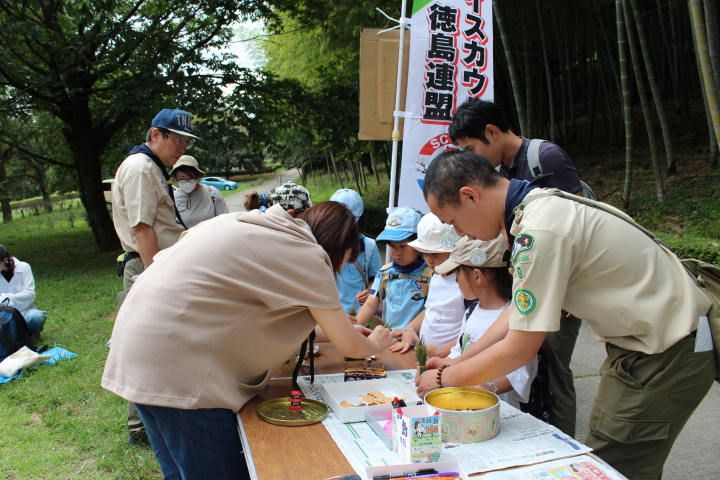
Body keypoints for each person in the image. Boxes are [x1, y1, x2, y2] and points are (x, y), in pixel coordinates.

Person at [417, 150, 716, 479]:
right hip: (647, 344)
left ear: (470, 195)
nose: (460, 234)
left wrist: (445, 380)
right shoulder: (536, 207)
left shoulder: (538, 231)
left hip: (668, 346)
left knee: (614, 465)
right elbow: (520, 310)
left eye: (453, 222)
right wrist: (459, 362)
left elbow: (520, 348)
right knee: (610, 455)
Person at [101, 201, 394, 480]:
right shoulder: (307, 253)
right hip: (180, 374)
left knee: (180, 473)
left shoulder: (247, 225)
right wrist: (377, 341)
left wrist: (335, 330)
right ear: (340, 247)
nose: (340, 269)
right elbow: (352, 348)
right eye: (346, 260)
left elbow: (252, 314)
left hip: (138, 350)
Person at [450, 98, 584, 436]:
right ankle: (539, 427)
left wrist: (569, 289)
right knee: (535, 369)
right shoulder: (503, 172)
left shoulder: (545, 157)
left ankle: (561, 441)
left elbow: (575, 223)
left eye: (471, 149)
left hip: (560, 289)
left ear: (492, 132)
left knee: (552, 368)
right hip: (532, 283)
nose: (471, 159)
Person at [112, 107, 200, 446]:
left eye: (187, 142)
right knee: (150, 347)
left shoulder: (152, 167)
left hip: (159, 263)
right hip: (148, 265)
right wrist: (155, 278)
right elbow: (141, 228)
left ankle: (152, 422)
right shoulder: (140, 168)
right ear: (155, 135)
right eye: (177, 140)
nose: (182, 148)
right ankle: (142, 429)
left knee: (161, 345)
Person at [435, 234, 536, 409]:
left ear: (477, 276)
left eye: (458, 273)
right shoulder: (471, 311)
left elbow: (519, 374)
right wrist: (441, 366)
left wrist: (488, 387)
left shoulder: (515, 319)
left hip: (498, 407)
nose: (456, 280)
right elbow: (459, 351)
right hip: (465, 404)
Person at [390, 213, 465, 357]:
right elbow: (431, 309)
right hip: (425, 354)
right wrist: (409, 329)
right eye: (425, 253)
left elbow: (470, 335)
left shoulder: (465, 285)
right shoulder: (436, 276)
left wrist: (439, 352)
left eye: (435, 253)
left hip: (449, 359)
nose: (429, 260)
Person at [353, 207, 431, 329]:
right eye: (392, 246)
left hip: (416, 339)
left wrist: (406, 332)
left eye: (403, 246)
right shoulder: (384, 273)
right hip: (389, 337)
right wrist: (355, 327)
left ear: (418, 243)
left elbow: (431, 309)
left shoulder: (431, 275)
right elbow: (369, 305)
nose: (397, 252)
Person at [329, 189, 382, 314]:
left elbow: (377, 278)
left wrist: (369, 291)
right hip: (330, 314)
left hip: (361, 315)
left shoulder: (368, 246)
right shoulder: (321, 245)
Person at [0, 245, 46, 339]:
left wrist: (5, 298)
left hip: (25, 311)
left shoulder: (24, 267)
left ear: (5, 259)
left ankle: (31, 336)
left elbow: (29, 294)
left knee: (37, 317)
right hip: (3, 315)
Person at [170, 155, 229, 228]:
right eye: (181, 179)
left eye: (191, 177)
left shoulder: (212, 193)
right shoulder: (172, 198)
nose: (187, 182)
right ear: (176, 177)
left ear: (197, 175)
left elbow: (225, 220)